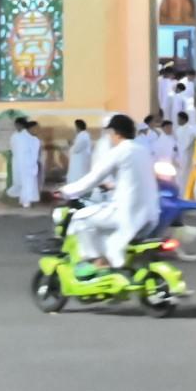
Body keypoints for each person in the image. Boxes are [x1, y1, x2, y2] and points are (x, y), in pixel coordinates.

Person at [57, 113, 159, 276]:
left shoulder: (120, 151)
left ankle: (96, 261)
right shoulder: (143, 150)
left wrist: (65, 191)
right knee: (102, 227)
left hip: (126, 213)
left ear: (115, 133)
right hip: (150, 215)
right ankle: (109, 262)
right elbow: (135, 178)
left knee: (80, 218)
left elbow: (93, 178)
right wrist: (114, 186)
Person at [8, 119, 43, 208]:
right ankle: (26, 201)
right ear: (31, 128)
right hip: (24, 164)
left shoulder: (33, 139)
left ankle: (26, 200)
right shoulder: (20, 137)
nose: (38, 130)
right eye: (36, 128)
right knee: (27, 183)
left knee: (28, 183)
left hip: (28, 164)